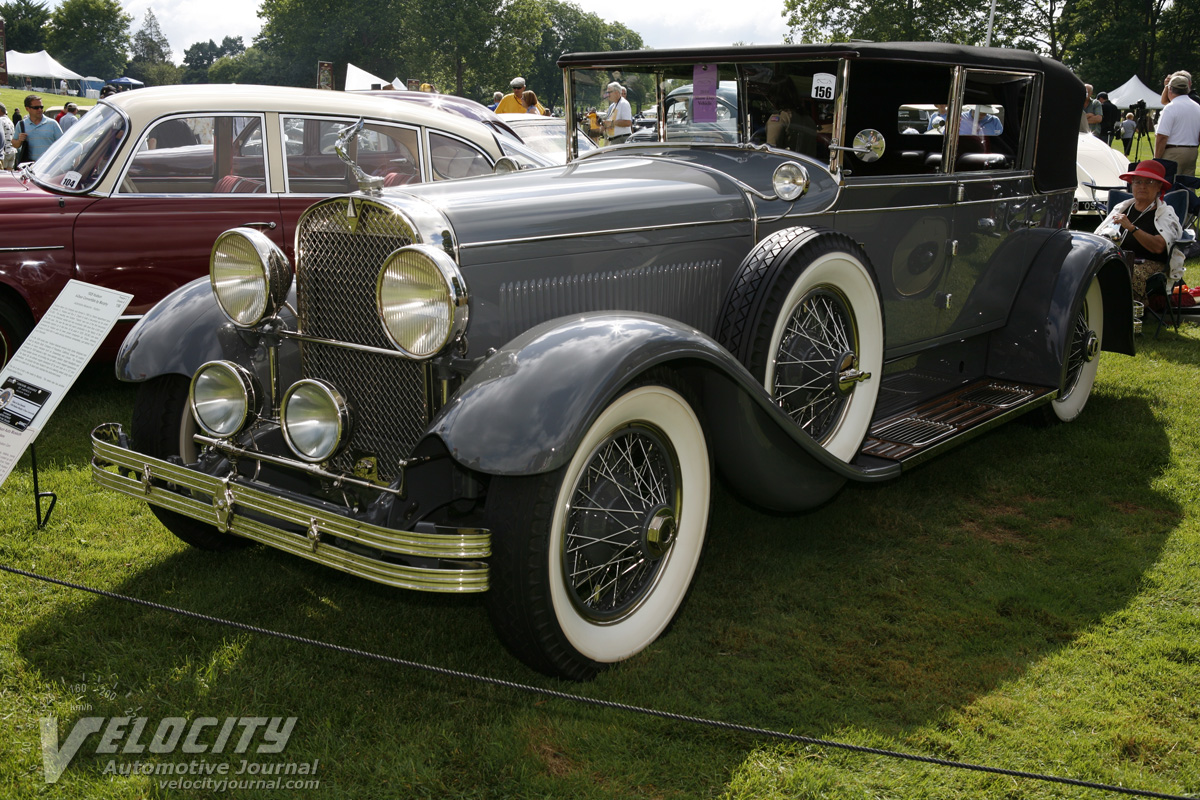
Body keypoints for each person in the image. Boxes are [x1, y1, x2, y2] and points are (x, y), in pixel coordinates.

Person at [1095, 159, 1182, 301]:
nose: (1142, 186)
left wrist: (1131, 228)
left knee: (1126, 272)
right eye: (1137, 182)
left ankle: (1128, 313)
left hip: (1151, 263)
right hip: (1119, 259)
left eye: (1149, 182)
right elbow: (1099, 236)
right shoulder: (1122, 207)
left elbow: (1159, 247)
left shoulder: (1164, 213)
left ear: (1159, 186)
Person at [1154, 73, 1200, 177]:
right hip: (1192, 151)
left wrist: (1157, 159)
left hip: (1173, 151)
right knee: (1188, 186)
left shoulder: (1171, 107)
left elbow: (1162, 136)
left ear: (1170, 89)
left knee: (1170, 185)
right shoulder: (1197, 106)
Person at [13, 95, 64, 163]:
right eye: (36, 108)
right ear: (27, 109)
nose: (40, 110)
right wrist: (19, 140)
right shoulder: (21, 124)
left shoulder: (52, 123)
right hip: (30, 165)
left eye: (41, 107)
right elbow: (15, 144)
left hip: (49, 164)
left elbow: (62, 144)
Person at [0, 103, 14, 169]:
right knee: (9, 174)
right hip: (12, 150)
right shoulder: (9, 120)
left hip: (4, 152)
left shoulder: (1, 120)